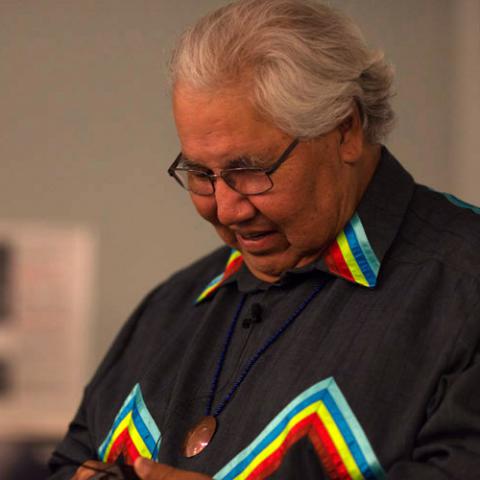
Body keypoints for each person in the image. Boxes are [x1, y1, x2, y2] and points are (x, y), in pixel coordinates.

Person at [49, 0, 480, 478]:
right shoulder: (169, 308)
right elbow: (71, 462)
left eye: (250, 171)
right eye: (199, 173)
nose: (227, 209)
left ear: (346, 130)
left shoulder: (465, 285)